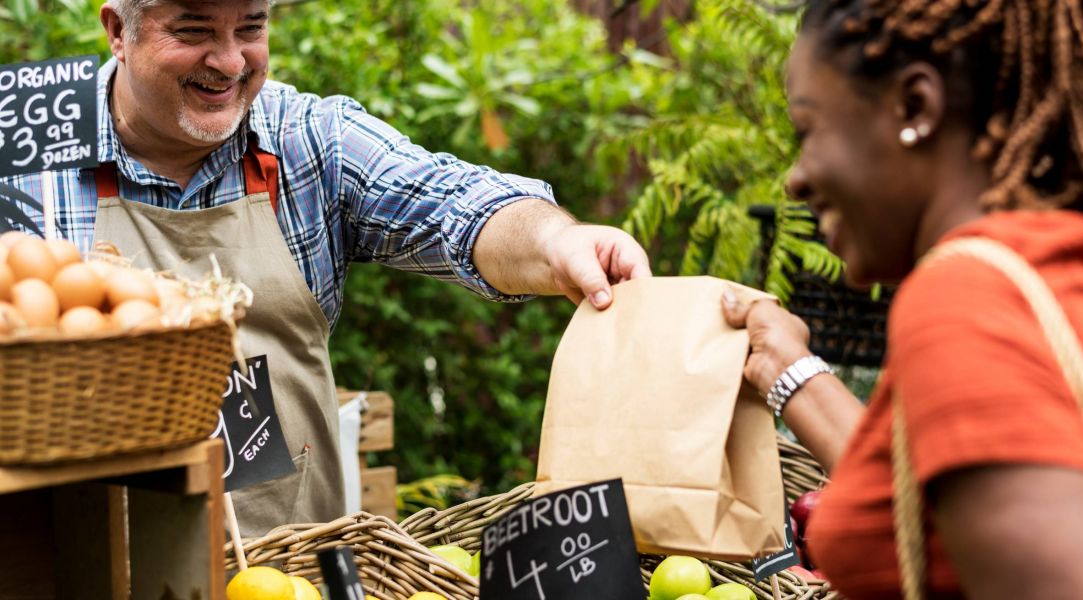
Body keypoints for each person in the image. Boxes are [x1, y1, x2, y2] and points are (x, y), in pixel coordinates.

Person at [0, 0, 650, 535]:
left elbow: (456, 203)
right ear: (118, 30)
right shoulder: (23, 140)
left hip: (291, 570)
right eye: (193, 30)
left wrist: (559, 243)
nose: (228, 61)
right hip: (82, 562)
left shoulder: (305, 138)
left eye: (250, 28)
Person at [720, 1, 1083, 598]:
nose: (795, 178)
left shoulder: (963, 299)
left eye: (808, 130)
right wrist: (784, 367)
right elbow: (923, 502)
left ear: (915, 106)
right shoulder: (1051, 268)